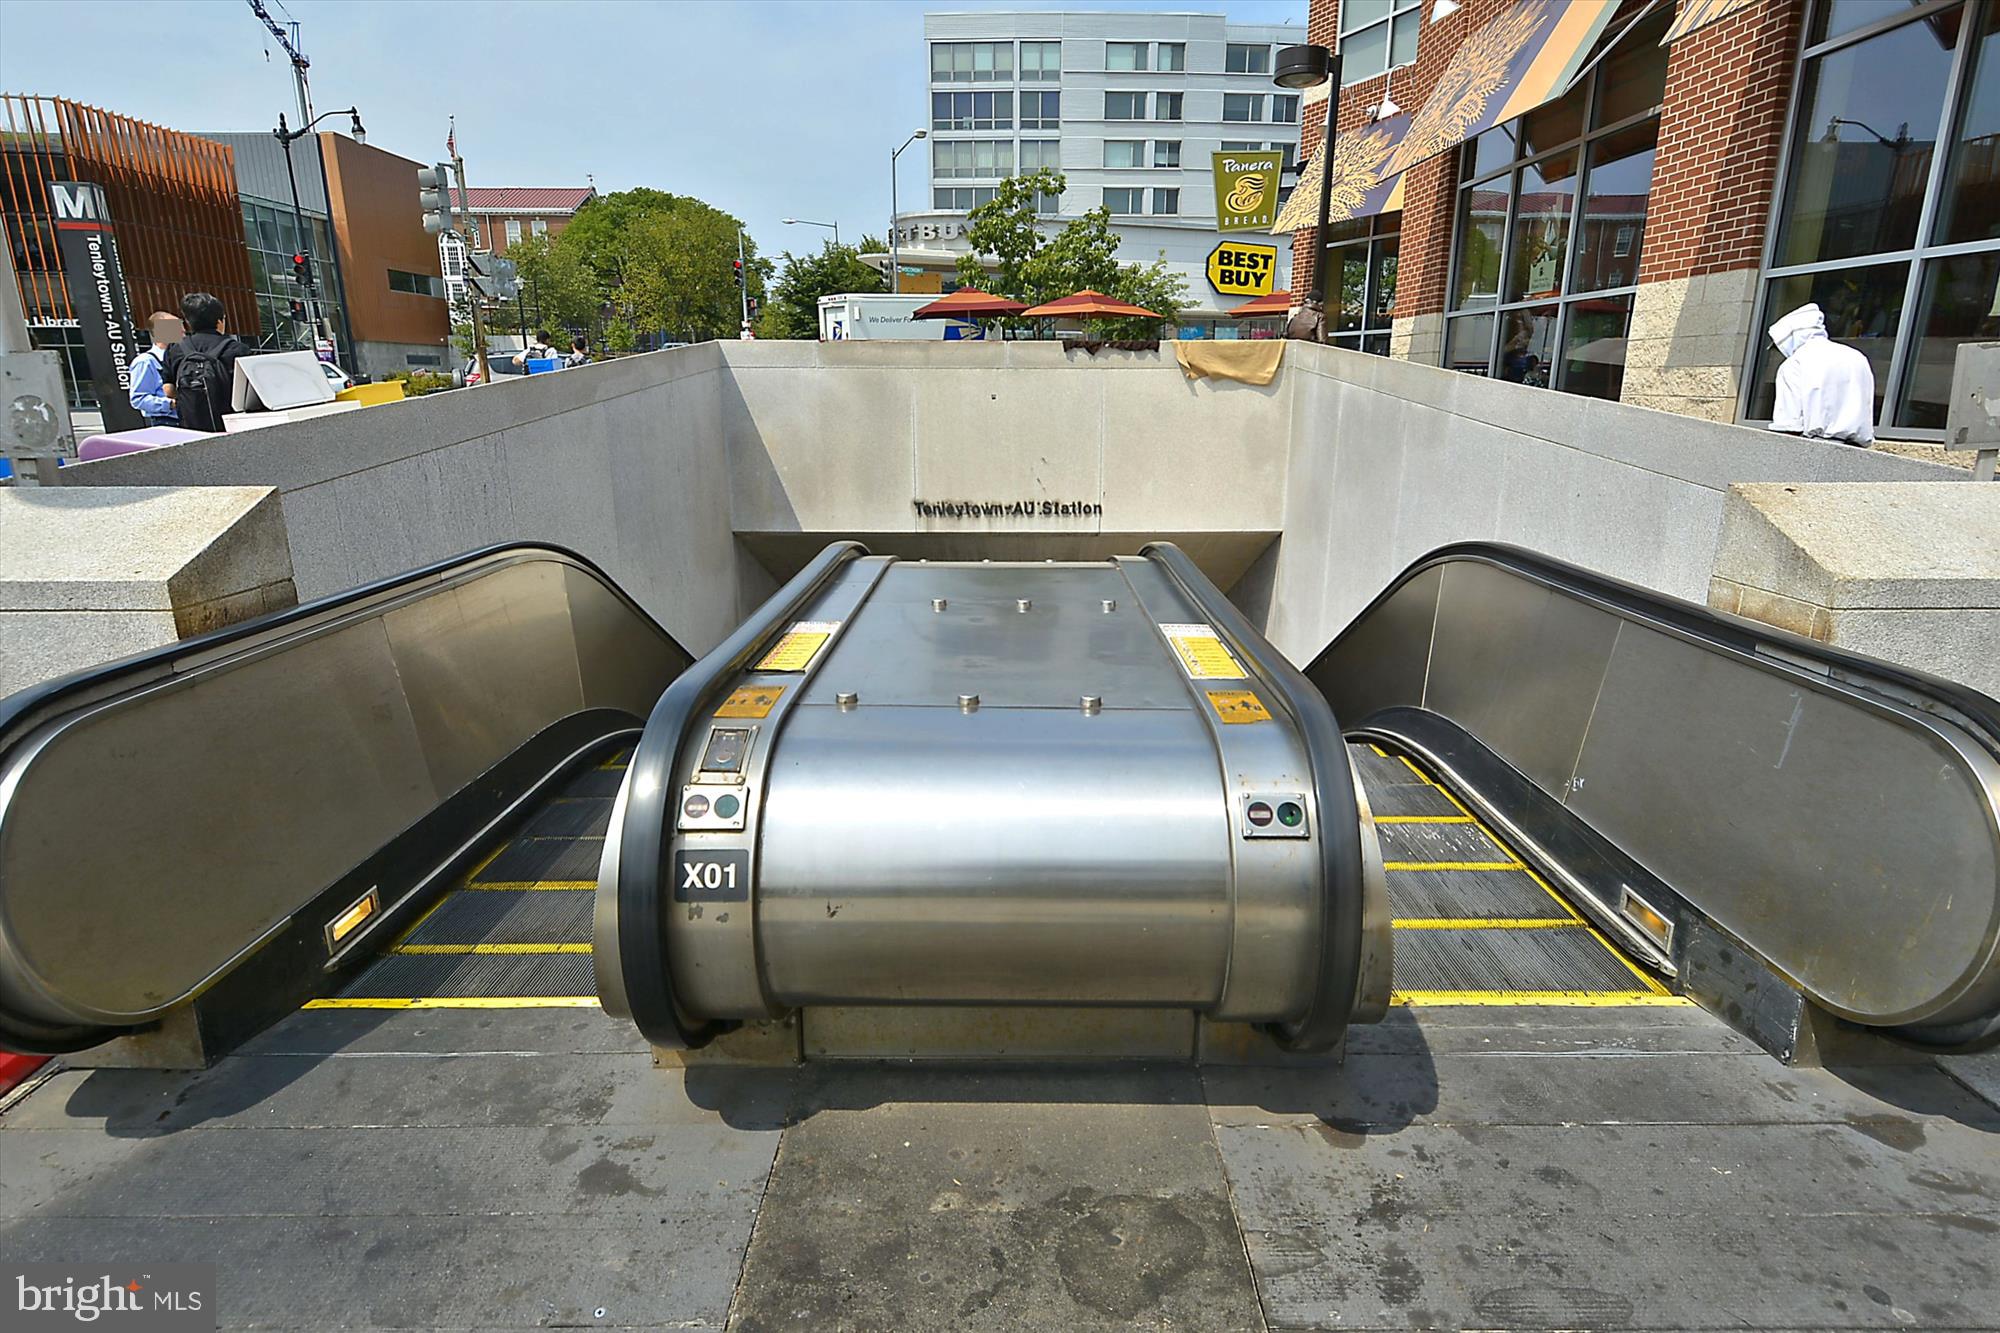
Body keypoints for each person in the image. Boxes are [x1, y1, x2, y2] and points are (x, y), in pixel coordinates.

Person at [1767, 302, 1875, 446]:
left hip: (1812, 448)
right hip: (1857, 452)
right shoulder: (1856, 357)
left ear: (1790, 338)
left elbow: (1789, 425)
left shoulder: (1796, 363)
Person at [162, 292, 248, 433]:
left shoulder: (175, 349)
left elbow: (169, 391)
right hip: (231, 426)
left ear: (189, 322)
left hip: (191, 428)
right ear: (220, 321)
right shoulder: (237, 349)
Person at [128, 311, 183, 426]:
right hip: (166, 422)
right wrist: (171, 404)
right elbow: (138, 399)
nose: (183, 330)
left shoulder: (182, 356)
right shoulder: (145, 362)